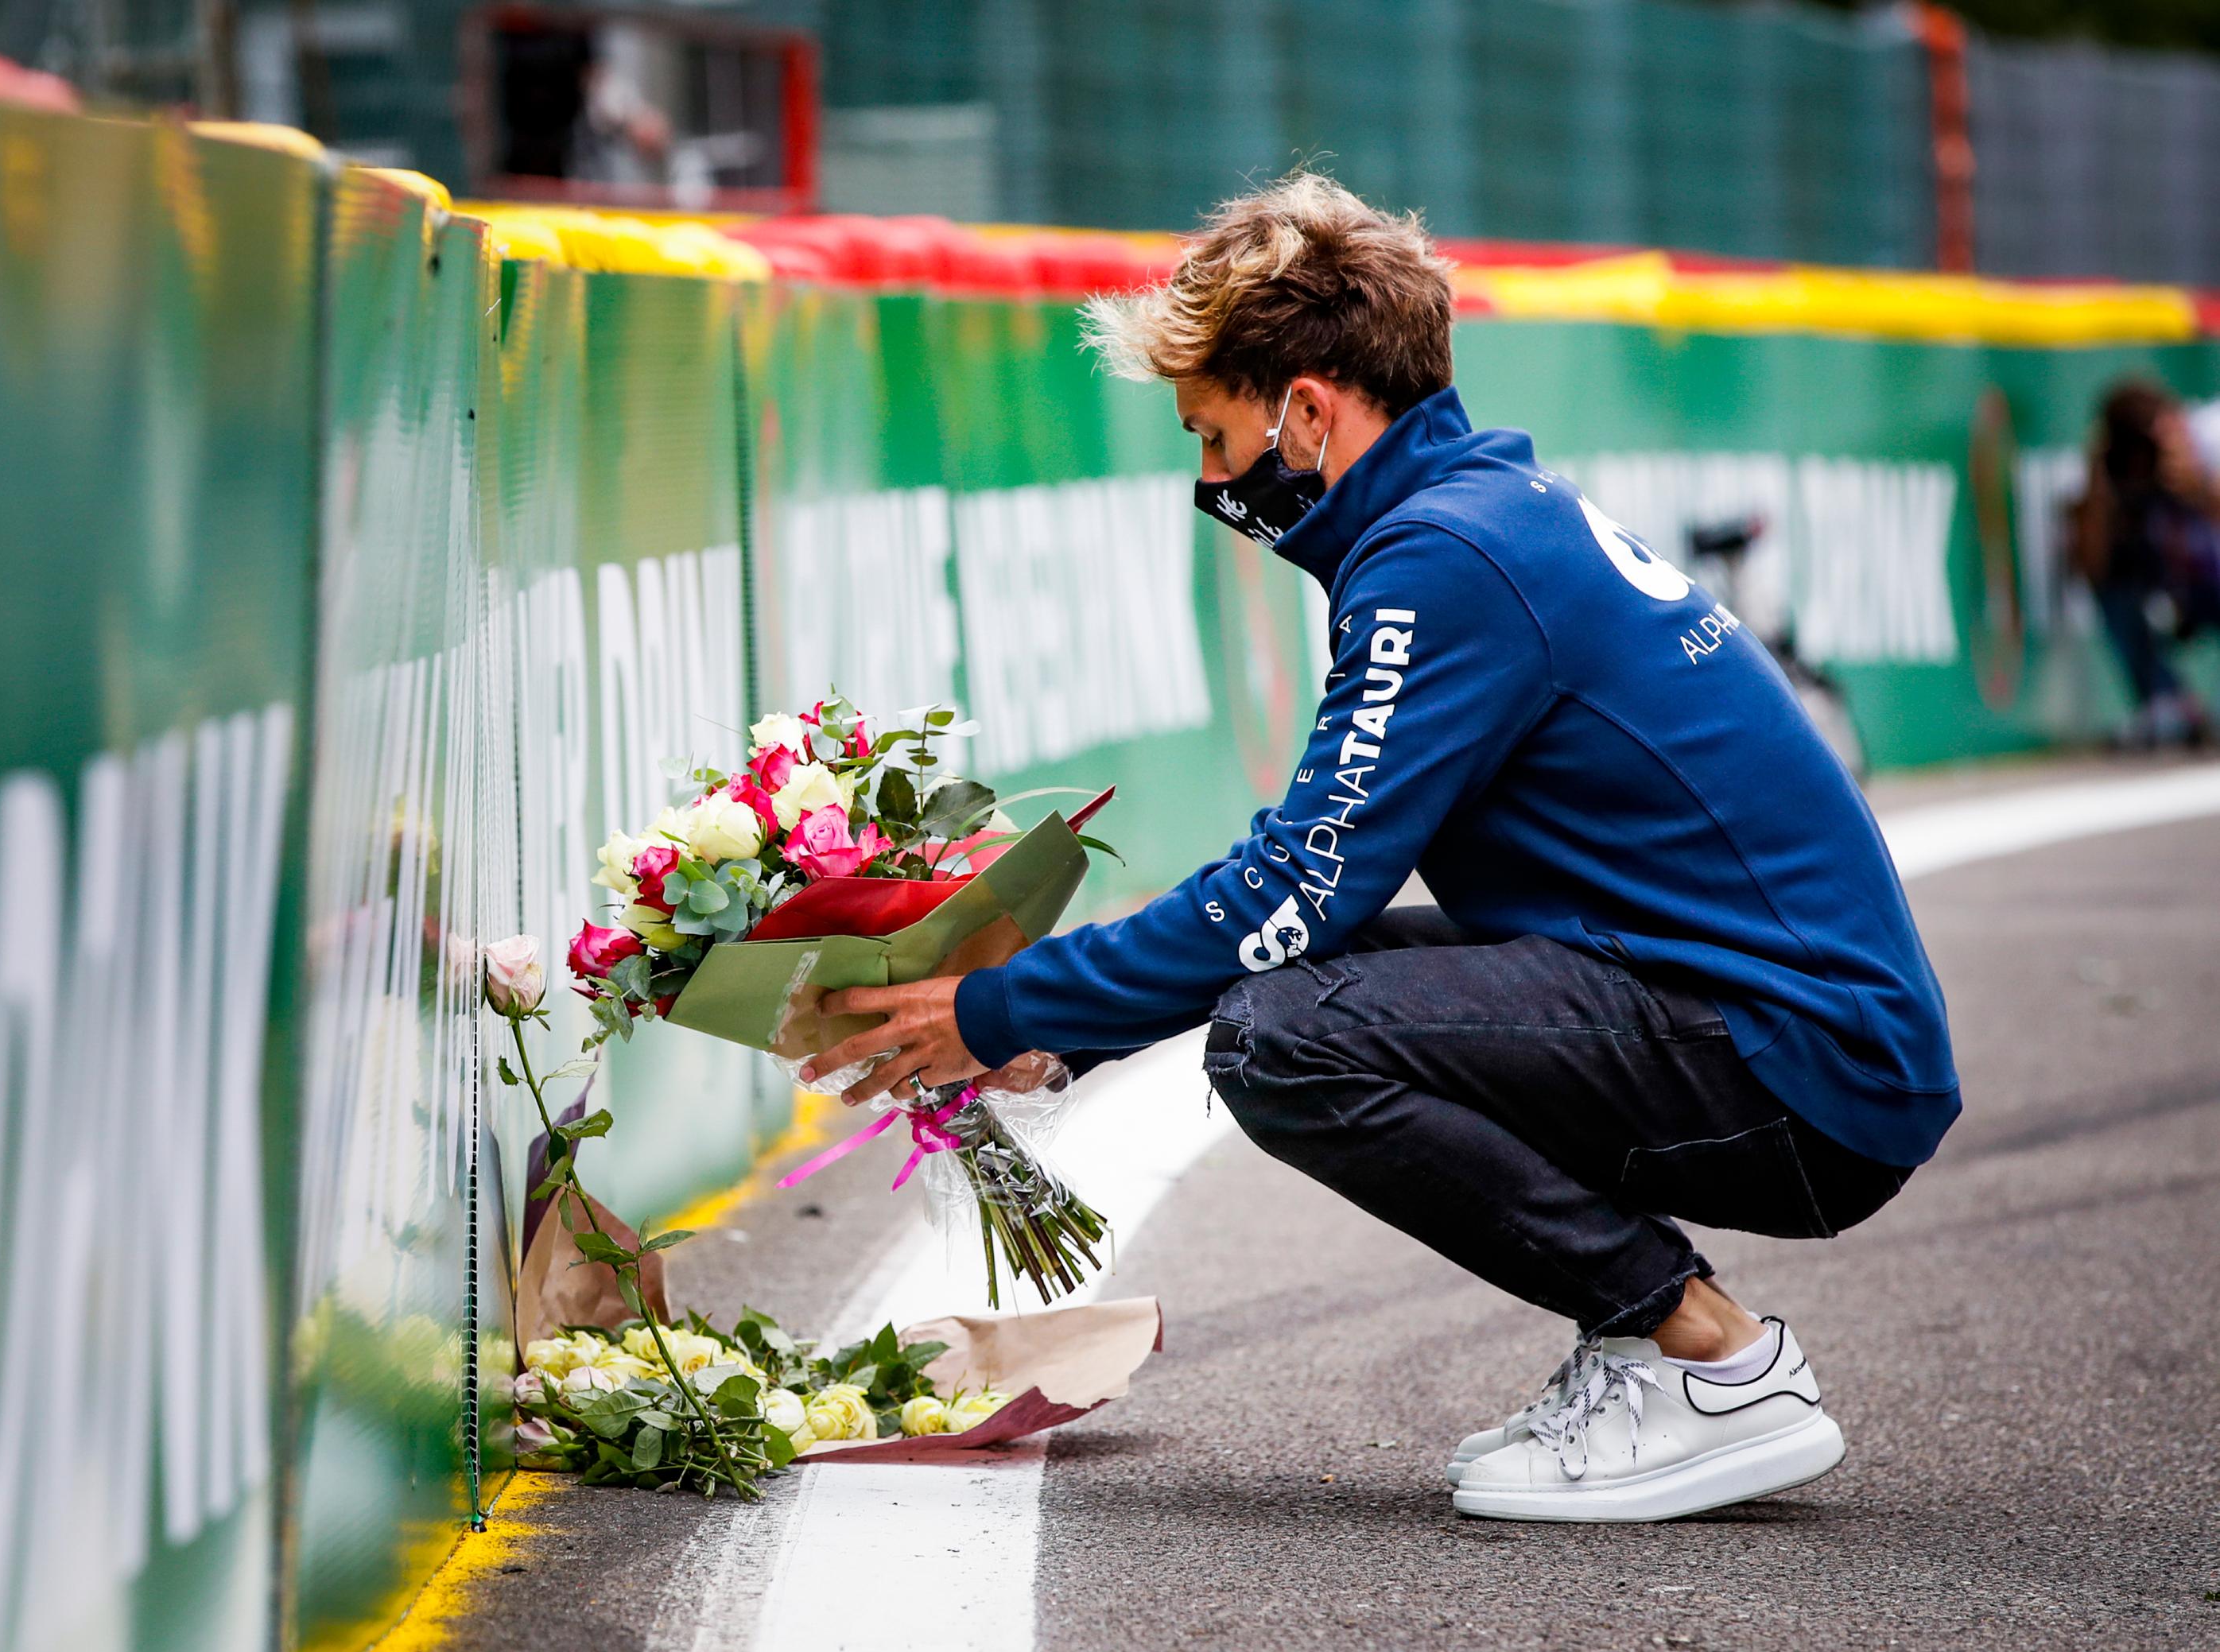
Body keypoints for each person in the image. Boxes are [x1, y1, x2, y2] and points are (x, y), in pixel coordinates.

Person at [797, 173, 1962, 1524]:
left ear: (1307, 406)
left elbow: (1297, 886)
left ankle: (1701, 1352)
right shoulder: (1480, 512)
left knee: (1284, 1036)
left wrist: (999, 1001)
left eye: (1215, 435)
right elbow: (1318, 886)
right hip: (1777, 1028)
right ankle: (1652, 1343)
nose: (1211, 481)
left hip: (1806, 1067)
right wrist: (1065, 1035)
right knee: (1300, 999)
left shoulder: (1443, 559)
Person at [2073, 378, 2215, 748]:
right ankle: (2167, 700)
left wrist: (2200, 486)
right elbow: (2092, 565)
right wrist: (2099, 487)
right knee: (2116, 588)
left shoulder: (2210, 436)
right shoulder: (2120, 473)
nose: (2146, 460)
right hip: (2177, 591)